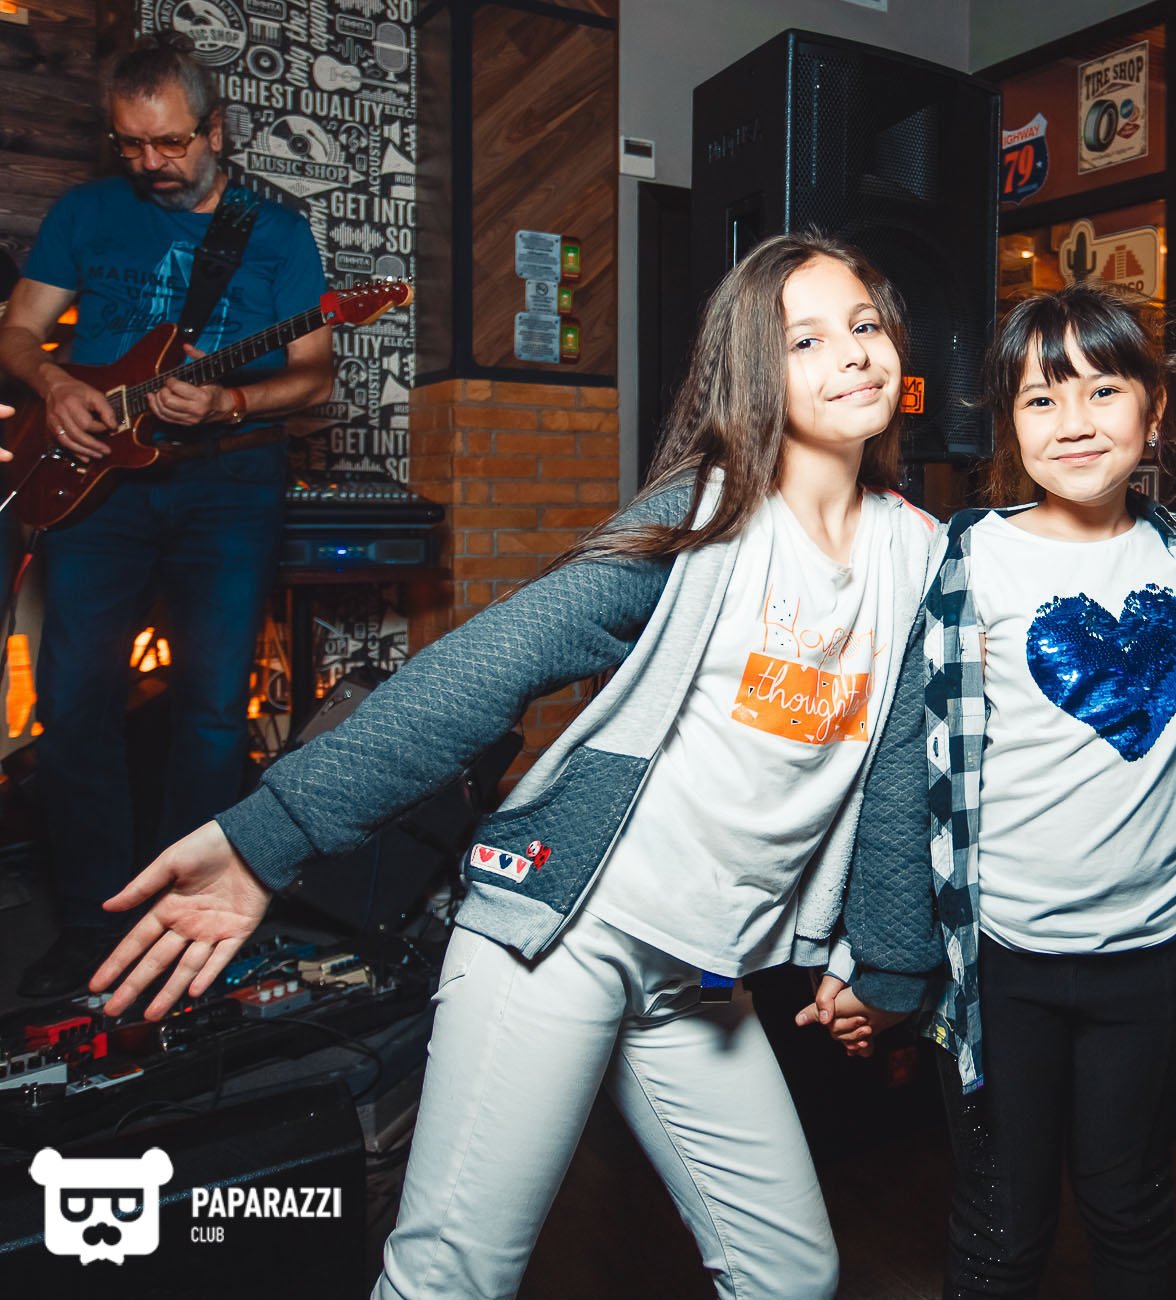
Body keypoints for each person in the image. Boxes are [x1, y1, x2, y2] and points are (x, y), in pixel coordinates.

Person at [88, 232, 939, 1300]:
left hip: (699, 976)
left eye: (863, 325)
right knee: (453, 1281)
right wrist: (271, 835)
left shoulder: (918, 553)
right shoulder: (705, 516)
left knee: (792, 1274)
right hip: (560, 937)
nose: (852, 352)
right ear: (752, 372)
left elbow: (898, 768)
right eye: (806, 339)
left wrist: (892, 965)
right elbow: (495, 661)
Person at [806, 283, 1176, 1298]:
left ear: (1155, 408)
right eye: (1040, 398)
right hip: (999, 962)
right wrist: (867, 954)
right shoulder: (967, 557)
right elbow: (902, 766)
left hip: (1153, 954)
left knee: (1131, 1203)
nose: (1074, 422)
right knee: (1001, 1222)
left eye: (1103, 391)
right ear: (1009, 425)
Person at [0, 33, 332, 997]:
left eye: (171, 143)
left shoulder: (277, 233)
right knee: (75, 703)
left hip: (227, 482)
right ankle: (92, 923)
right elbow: (17, 332)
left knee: (213, 710)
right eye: (131, 144)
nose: (151, 163)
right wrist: (56, 385)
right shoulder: (85, 212)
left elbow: (314, 377)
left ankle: (187, 924)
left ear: (215, 129)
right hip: (97, 481)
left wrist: (230, 402)